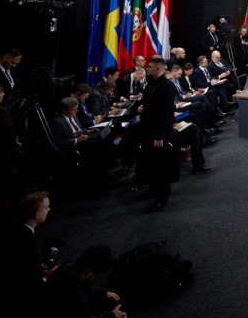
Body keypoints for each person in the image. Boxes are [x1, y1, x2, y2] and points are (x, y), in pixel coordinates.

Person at [0, 190, 59, 318]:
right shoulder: (26, 242)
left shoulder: (13, 230)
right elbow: (25, 284)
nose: (49, 209)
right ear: (37, 214)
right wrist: (45, 277)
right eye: (46, 207)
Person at [136, 56, 179, 213]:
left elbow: (164, 112)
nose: (146, 69)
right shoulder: (151, 83)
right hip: (148, 129)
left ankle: (162, 197)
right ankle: (153, 189)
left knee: (161, 165)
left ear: (158, 69)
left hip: (159, 132)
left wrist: (159, 136)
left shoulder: (166, 86)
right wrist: (140, 107)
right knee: (151, 162)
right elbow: (148, 102)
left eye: (149, 67)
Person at [43, 245, 126, 318]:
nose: (95, 279)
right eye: (96, 275)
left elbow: (83, 287)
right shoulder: (77, 298)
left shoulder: (67, 270)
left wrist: (103, 293)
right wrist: (113, 315)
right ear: (88, 273)